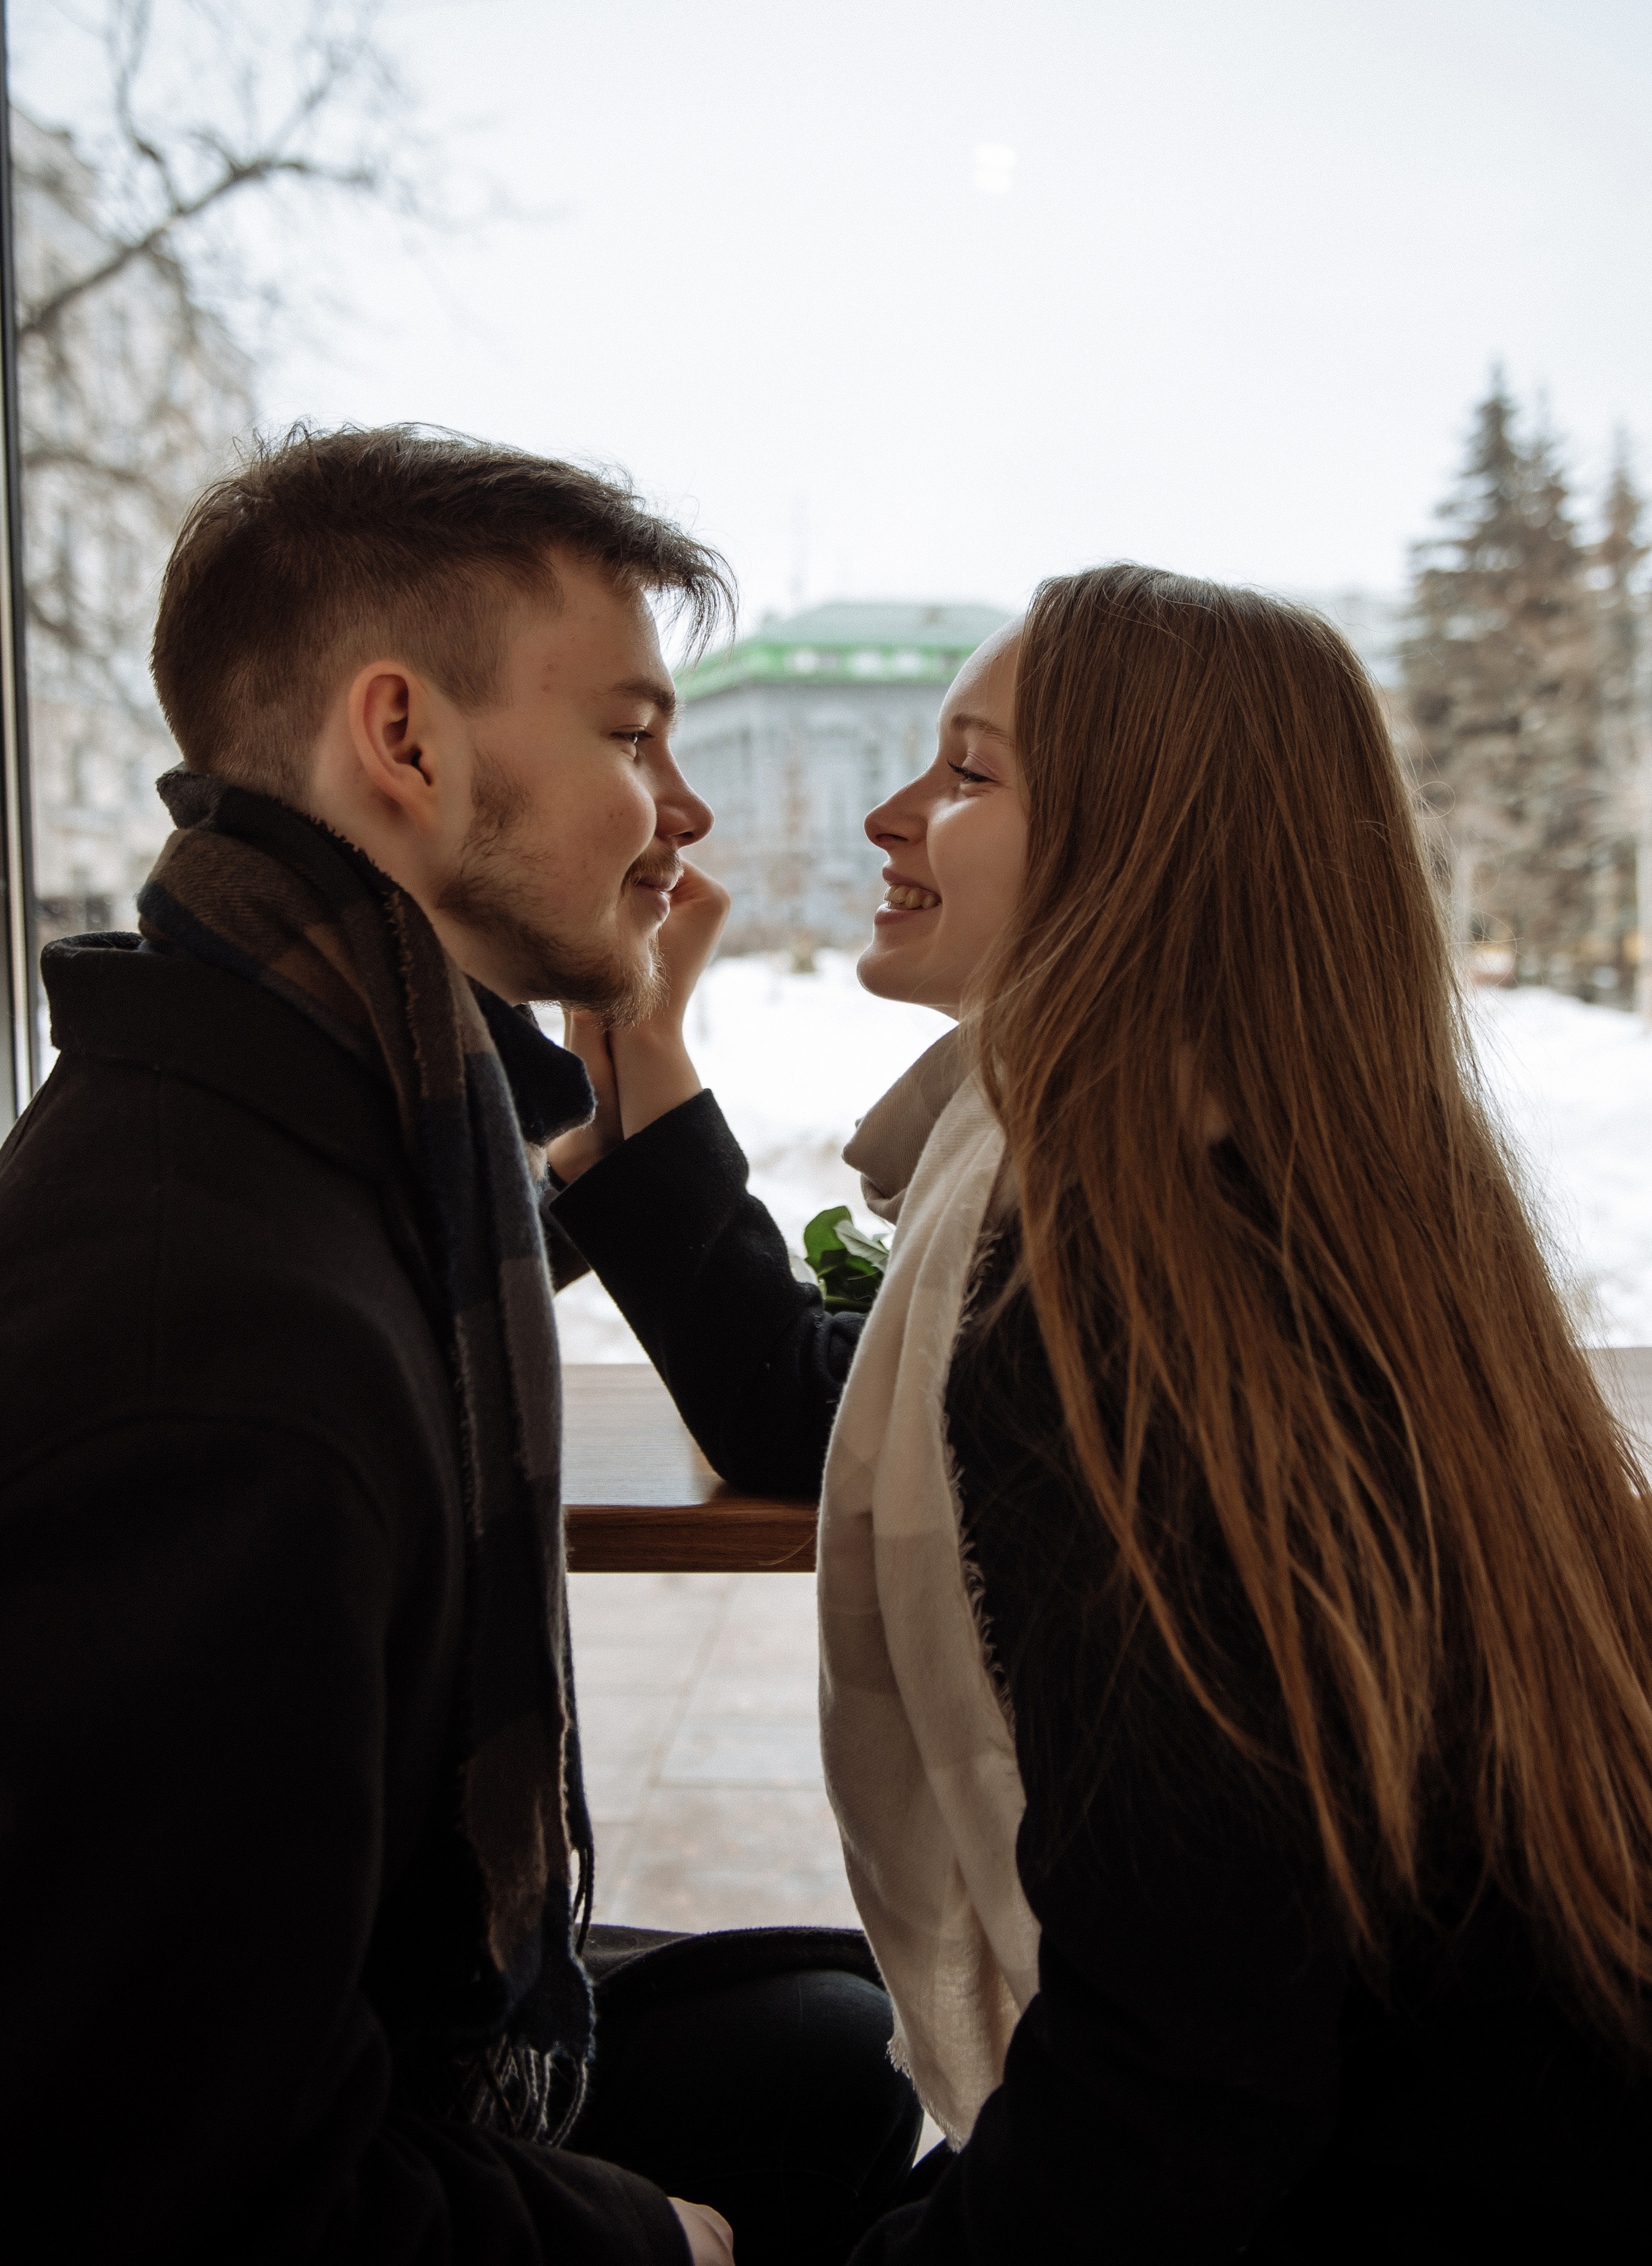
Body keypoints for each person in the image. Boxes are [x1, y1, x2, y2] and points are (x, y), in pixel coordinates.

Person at [549, 563, 1652, 2260]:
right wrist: (646, 1044)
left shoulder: (1113, 1301)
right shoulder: (1261, 1199)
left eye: (970, 772)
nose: (886, 812)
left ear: (1147, 851)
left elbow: (1177, 2099)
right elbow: (819, 1417)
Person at [0, 426, 922, 2265]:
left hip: (383, 2053)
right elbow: (183, 2187)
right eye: (628, 733)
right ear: (405, 740)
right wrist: (655, 2241)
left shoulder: (320, 1143)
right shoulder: (219, 1362)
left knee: (839, 2049)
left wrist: (639, 1040)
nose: (684, 809)